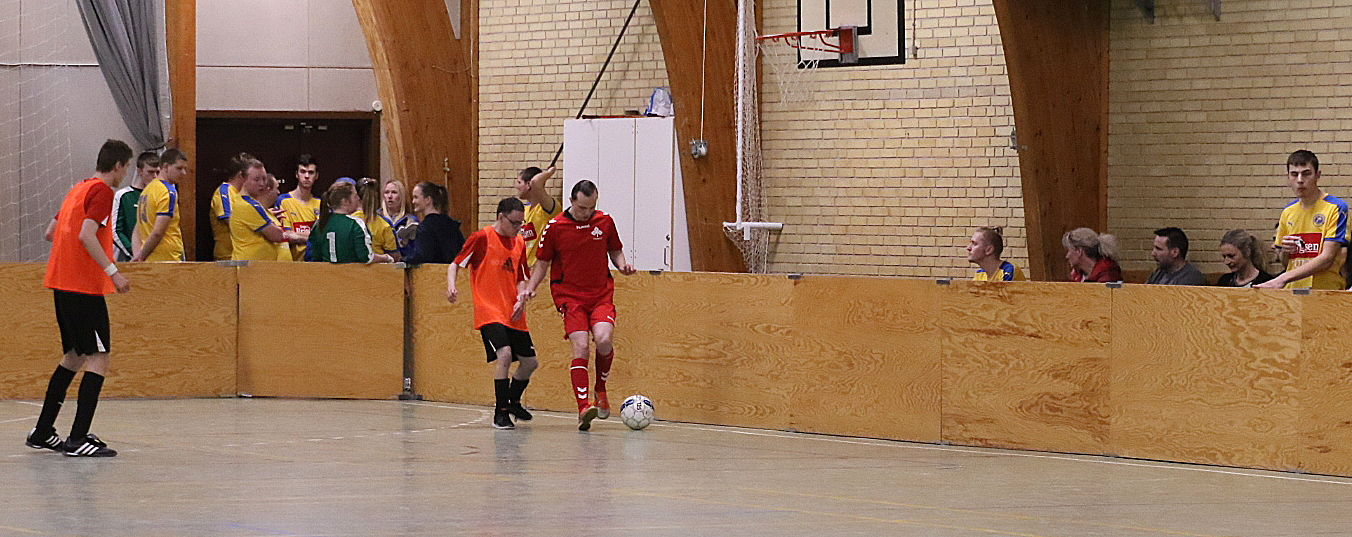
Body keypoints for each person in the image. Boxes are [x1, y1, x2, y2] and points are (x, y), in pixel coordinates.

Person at [26, 139, 134, 458]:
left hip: (62, 285)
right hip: (83, 289)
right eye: (126, 167)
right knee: (99, 357)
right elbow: (87, 234)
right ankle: (77, 438)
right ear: (118, 166)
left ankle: (43, 431)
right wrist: (113, 272)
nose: (125, 173)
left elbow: (51, 232)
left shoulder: (78, 189)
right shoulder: (102, 192)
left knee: (73, 356)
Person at [520, 180, 637, 431]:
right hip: (569, 296)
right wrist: (531, 286)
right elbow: (542, 262)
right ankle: (583, 407)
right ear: (572, 201)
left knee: (604, 340)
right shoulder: (555, 227)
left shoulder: (605, 221)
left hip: (600, 293)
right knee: (581, 345)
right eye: (582, 208)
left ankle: (600, 389)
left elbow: (615, 250)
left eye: (591, 207)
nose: (587, 213)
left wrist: (622, 265)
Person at [447, 197, 538, 430]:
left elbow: (521, 278)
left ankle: (513, 401)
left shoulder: (519, 242)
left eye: (521, 223)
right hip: (488, 309)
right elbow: (455, 263)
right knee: (504, 355)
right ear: (500, 217)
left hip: (513, 312)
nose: (518, 228)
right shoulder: (482, 238)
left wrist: (522, 296)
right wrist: (451, 286)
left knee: (530, 363)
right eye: (514, 223)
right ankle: (500, 413)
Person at [1257, 150, 1348, 290]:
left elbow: (1327, 259)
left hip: (1325, 291)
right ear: (1288, 177)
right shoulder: (1288, 212)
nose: (1300, 180)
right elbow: (1286, 262)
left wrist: (1282, 278)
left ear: (1317, 175)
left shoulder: (1336, 208)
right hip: (1294, 290)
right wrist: (1285, 251)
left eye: (1306, 174)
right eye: (1294, 174)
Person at [230, 158, 301, 261]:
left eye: (263, 179)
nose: (262, 184)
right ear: (243, 178)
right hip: (251, 266)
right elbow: (277, 235)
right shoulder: (249, 205)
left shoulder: (243, 202)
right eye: (256, 179)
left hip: (259, 266)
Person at [307, 181, 392, 263]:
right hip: (351, 272)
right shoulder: (355, 224)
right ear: (345, 201)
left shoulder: (319, 223)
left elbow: (315, 257)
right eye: (355, 196)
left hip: (325, 272)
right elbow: (366, 257)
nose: (358, 199)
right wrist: (385, 257)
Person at [131, 148, 188, 262]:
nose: (183, 173)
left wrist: (138, 254)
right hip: (166, 257)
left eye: (185, 169)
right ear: (166, 167)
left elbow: (137, 228)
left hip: (149, 256)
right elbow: (158, 232)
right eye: (179, 168)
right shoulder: (168, 192)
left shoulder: (147, 190)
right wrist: (141, 256)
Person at [111, 151, 157, 261]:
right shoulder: (124, 195)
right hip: (131, 259)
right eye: (150, 172)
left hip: (155, 258)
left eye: (158, 172)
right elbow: (116, 231)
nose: (154, 176)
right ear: (140, 171)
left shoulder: (160, 196)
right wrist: (135, 253)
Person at [404, 181, 464, 264]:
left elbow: (422, 256)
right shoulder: (452, 225)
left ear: (427, 200)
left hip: (434, 271)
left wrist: (402, 260)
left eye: (416, 197)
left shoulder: (425, 227)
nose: (413, 201)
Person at [276, 154, 322, 261]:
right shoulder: (283, 200)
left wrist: (298, 236)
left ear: (316, 176)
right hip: (292, 262)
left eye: (311, 172)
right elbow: (287, 235)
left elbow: (323, 237)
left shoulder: (320, 203)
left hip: (315, 262)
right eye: (303, 172)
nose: (307, 176)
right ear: (297, 174)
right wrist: (313, 238)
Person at [210, 153, 252, 260]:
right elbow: (230, 221)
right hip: (229, 255)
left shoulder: (245, 195)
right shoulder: (225, 191)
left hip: (244, 254)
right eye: (253, 177)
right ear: (241, 175)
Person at [515, 166, 559, 266]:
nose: (516, 186)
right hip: (523, 268)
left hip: (540, 269)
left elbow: (536, 181)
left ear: (528, 185)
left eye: (519, 182)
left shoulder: (548, 207)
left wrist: (549, 172)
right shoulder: (524, 209)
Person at [355, 177, 400, 262]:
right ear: (377, 197)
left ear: (356, 197)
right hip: (378, 268)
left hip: (350, 268)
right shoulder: (384, 224)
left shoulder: (348, 220)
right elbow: (394, 256)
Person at [381, 179, 419, 259]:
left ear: (401, 196)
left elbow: (415, 250)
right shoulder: (376, 218)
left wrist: (404, 244)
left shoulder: (410, 220)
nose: (389, 196)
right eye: (386, 192)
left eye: (394, 192)